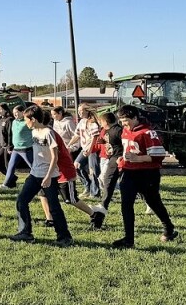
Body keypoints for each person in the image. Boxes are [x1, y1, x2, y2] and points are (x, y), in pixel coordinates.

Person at [112, 105, 179, 248]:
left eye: (126, 121)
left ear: (135, 118)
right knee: (126, 205)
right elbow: (124, 148)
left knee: (154, 202)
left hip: (147, 173)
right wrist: (120, 158)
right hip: (128, 171)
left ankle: (169, 228)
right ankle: (129, 239)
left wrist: (138, 158)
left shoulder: (148, 132)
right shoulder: (124, 130)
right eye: (122, 121)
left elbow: (159, 156)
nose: (124, 124)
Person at [10, 106, 73, 246]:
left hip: (48, 175)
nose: (25, 122)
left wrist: (49, 176)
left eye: (27, 120)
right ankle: (25, 232)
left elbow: (54, 157)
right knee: (21, 200)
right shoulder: (33, 132)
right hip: (34, 174)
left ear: (33, 119)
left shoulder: (48, 133)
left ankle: (64, 237)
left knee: (54, 207)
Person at [37, 123, 106, 230]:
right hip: (50, 171)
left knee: (70, 199)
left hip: (63, 171)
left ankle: (95, 214)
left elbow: (54, 156)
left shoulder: (49, 134)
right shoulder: (39, 134)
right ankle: (50, 220)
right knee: (42, 193)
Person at [94, 112, 124, 227]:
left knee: (108, 180)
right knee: (107, 180)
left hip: (118, 158)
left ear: (105, 122)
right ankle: (103, 204)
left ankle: (103, 205)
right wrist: (104, 142)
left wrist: (123, 155)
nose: (100, 124)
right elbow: (111, 142)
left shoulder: (117, 130)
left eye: (101, 122)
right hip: (112, 158)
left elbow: (125, 142)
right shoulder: (107, 131)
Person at [0, 105, 32, 189]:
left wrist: (9, 146)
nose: (15, 114)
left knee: (33, 166)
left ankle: (43, 181)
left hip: (25, 149)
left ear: (23, 112)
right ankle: (6, 184)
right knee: (10, 166)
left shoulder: (27, 122)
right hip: (16, 149)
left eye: (17, 112)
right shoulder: (14, 121)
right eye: (14, 113)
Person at [70, 104, 101, 198]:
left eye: (81, 111)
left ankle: (95, 192)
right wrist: (68, 145)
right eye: (78, 111)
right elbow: (77, 135)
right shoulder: (81, 122)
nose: (79, 113)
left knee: (93, 171)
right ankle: (87, 186)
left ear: (87, 111)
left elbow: (94, 137)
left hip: (92, 149)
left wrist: (90, 149)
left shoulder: (92, 122)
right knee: (77, 165)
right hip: (84, 148)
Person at [0, 103, 14, 187]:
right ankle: (12, 178)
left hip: (8, 146)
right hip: (2, 146)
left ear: (5, 109)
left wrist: (10, 146)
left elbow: (9, 134)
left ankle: (8, 183)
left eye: (0, 110)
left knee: (7, 165)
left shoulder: (9, 120)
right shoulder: (1, 120)